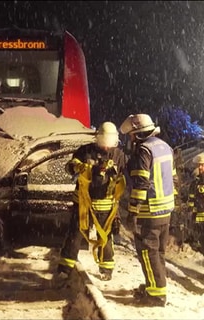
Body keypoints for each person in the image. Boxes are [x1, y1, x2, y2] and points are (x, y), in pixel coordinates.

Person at [120, 113, 178, 307]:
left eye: (131, 135)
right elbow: (174, 178)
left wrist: (133, 211)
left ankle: (156, 295)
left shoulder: (143, 151)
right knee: (158, 252)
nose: (130, 139)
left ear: (137, 134)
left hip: (149, 211)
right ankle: (154, 285)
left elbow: (141, 183)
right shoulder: (165, 147)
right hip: (165, 210)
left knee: (147, 252)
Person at [57, 121, 126, 281]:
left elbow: (123, 180)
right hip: (83, 204)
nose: (107, 149)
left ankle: (106, 269)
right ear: (98, 139)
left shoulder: (119, 155)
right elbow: (69, 167)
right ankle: (65, 268)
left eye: (110, 145)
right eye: (104, 145)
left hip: (106, 206)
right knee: (75, 235)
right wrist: (80, 168)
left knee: (105, 237)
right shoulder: (85, 151)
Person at [187, 153, 204, 252]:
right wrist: (191, 212)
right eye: (199, 165)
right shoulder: (196, 182)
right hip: (200, 221)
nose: (200, 168)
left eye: (202, 165)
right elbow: (192, 198)